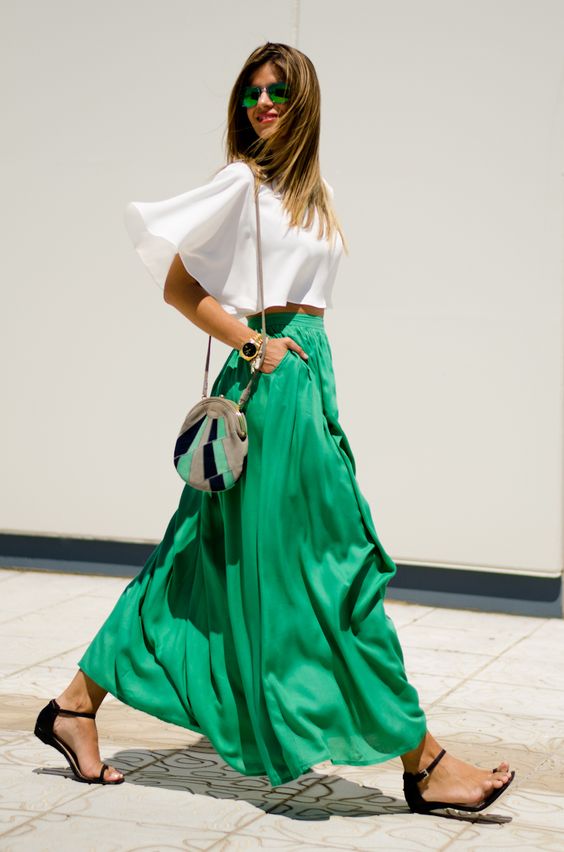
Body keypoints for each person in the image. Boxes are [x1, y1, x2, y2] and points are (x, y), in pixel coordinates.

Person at [34, 42, 514, 814]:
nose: (262, 103)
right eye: (253, 91)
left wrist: (300, 371)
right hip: (269, 389)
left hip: (306, 387)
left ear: (304, 104)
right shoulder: (241, 184)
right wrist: (256, 344)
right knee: (338, 568)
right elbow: (178, 287)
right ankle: (424, 760)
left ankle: (75, 707)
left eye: (279, 93)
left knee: (201, 559)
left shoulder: (310, 194)